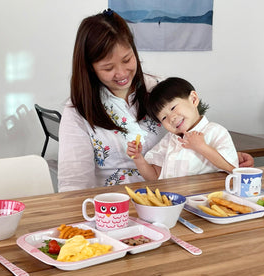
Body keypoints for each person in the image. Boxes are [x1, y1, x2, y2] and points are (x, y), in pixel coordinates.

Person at [58, 9, 253, 192]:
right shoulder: (78, 111)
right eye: (108, 68)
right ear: (90, 68)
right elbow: (73, 184)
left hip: (174, 200)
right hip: (116, 209)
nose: (122, 73)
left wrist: (225, 158)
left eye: (127, 60)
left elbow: (195, 135)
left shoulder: (159, 91)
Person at [126, 77, 239, 180]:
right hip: (174, 200)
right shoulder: (169, 140)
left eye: (173, 108)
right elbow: (154, 177)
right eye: (164, 117)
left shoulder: (216, 131)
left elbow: (233, 169)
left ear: (193, 99)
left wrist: (201, 147)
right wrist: (138, 158)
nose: (171, 118)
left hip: (207, 199)